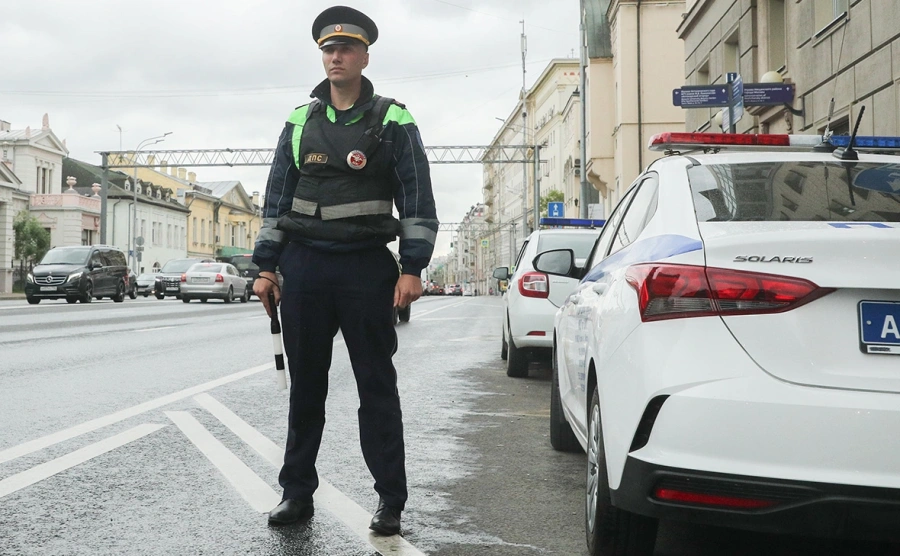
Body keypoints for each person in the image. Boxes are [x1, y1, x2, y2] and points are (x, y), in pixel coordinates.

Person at [252, 5, 438, 536]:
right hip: (304, 268)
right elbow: (276, 201)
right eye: (328, 49)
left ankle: (390, 502)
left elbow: (418, 198)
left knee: (376, 386)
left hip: (365, 271)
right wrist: (266, 269)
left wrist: (413, 268)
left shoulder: (392, 118)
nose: (336, 56)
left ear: (364, 56)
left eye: (346, 49)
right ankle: (295, 494)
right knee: (306, 389)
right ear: (322, 56)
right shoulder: (299, 120)